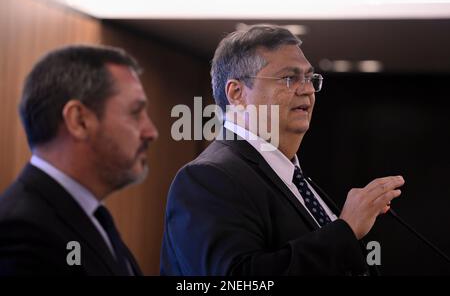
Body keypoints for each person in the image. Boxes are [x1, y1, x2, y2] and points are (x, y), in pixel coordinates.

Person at [160, 24, 404, 275]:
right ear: (237, 94)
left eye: (310, 78)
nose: (307, 89)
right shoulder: (208, 178)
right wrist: (346, 230)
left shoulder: (295, 179)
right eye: (289, 78)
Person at [0, 45, 158, 275]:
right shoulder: (21, 231)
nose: (151, 132)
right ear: (79, 121)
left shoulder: (91, 218)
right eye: (135, 113)